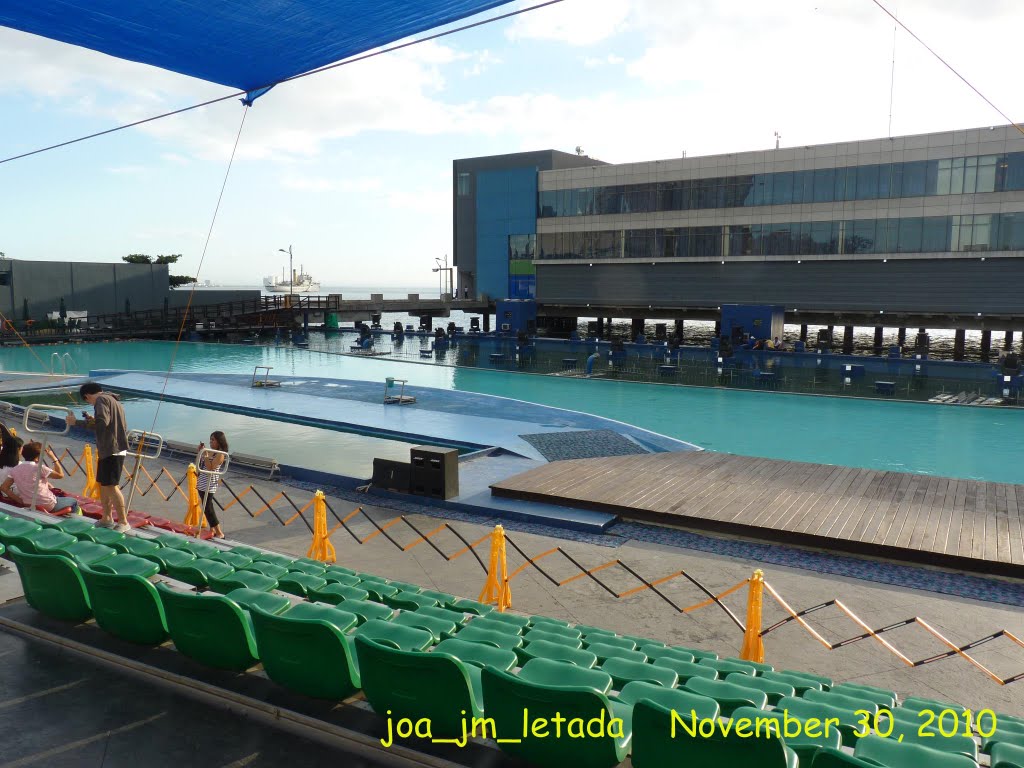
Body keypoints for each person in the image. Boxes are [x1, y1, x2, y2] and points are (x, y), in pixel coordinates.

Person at [66, 382, 130, 531]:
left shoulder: (101, 400)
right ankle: (107, 518)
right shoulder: (113, 400)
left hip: (112, 448)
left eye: (87, 401)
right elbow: (105, 421)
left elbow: (102, 422)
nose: (89, 403)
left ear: (87, 396)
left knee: (111, 486)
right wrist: (91, 419)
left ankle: (123, 522)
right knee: (103, 485)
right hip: (110, 449)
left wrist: (77, 422)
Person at [1, 441, 80, 514]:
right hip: (47, 504)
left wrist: (20, 501)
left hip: (28, 503)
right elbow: (60, 475)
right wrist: (53, 458)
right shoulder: (40, 468)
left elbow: (4, 487)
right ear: (38, 457)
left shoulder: (15, 469)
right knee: (74, 502)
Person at [196, 431, 229, 538]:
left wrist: (205, 455)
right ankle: (212, 530)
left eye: (213, 440)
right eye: (210, 439)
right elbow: (202, 463)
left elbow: (211, 467)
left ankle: (219, 532)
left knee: (208, 507)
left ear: (219, 441)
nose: (211, 442)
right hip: (202, 481)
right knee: (207, 506)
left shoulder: (220, 454)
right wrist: (201, 452)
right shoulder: (209, 451)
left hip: (209, 483)